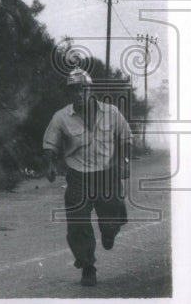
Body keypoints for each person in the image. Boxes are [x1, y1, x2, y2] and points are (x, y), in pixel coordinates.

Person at [43, 68, 132, 287]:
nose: (79, 93)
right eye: (74, 90)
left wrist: (124, 162)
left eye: (83, 89)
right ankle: (87, 267)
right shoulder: (61, 117)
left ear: (91, 90)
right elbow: (50, 144)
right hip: (78, 176)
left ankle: (110, 230)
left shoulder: (111, 113)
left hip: (107, 175)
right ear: (69, 93)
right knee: (78, 223)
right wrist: (51, 165)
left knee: (110, 221)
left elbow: (125, 138)